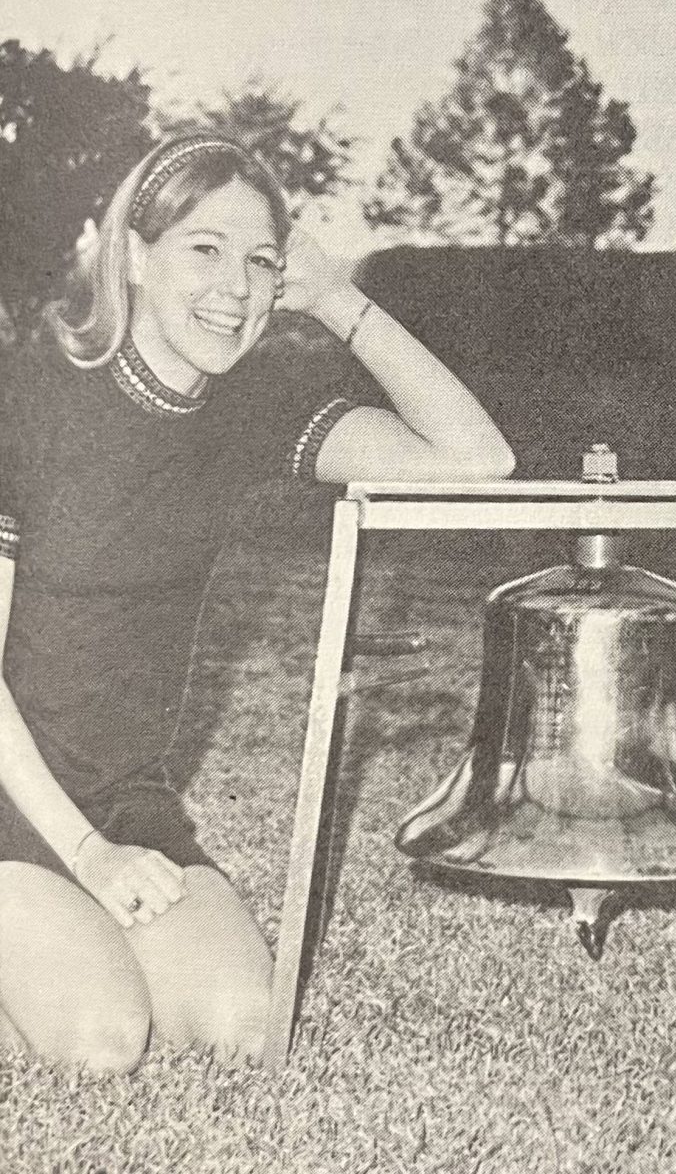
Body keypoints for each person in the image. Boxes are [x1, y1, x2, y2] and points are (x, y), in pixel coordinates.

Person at [0, 134, 515, 1072]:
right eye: (204, 247)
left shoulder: (245, 413)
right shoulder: (25, 396)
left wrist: (337, 298)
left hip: (125, 800)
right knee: (102, 1040)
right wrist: (85, 857)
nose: (235, 285)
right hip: (9, 793)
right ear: (132, 254)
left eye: (261, 258)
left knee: (241, 1024)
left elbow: (476, 458)